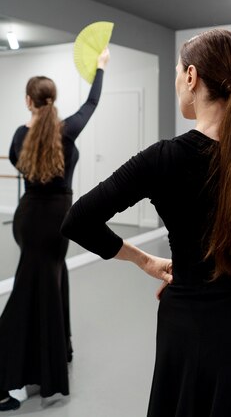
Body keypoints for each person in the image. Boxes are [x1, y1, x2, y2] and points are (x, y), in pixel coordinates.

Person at [61, 28, 231, 417]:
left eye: (178, 71)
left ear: (191, 77)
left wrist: (144, 261)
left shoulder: (164, 159)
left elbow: (78, 220)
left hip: (191, 328)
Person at [0, 48, 110, 412]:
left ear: (29, 101)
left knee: (49, 281)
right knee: (39, 287)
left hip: (28, 220)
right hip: (58, 222)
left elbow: (18, 162)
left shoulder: (20, 135)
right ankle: (10, 377)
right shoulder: (68, 130)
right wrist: (100, 67)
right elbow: (92, 103)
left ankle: (56, 351)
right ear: (53, 99)